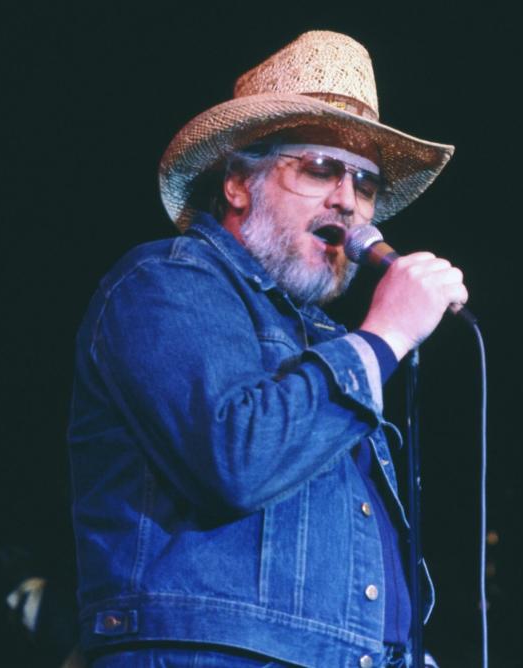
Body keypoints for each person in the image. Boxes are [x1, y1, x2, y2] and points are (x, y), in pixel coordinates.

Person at [67, 31, 466, 668]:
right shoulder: (164, 282)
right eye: (319, 168)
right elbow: (234, 458)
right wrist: (385, 336)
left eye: (364, 182)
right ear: (236, 183)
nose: (349, 201)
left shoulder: (330, 344)